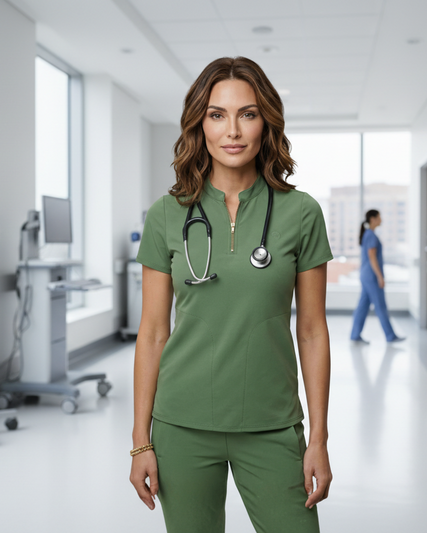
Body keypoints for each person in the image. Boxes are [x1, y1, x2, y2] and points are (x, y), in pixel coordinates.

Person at [129, 56, 334, 533]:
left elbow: (311, 330)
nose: (233, 130)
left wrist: (318, 438)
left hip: (272, 423)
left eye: (248, 113)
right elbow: (154, 332)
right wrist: (141, 441)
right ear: (200, 124)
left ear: (267, 122)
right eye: (217, 114)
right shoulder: (166, 214)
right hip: (182, 424)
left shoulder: (301, 213)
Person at [350, 209, 405, 344]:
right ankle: (390, 335)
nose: (381, 220)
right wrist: (380, 276)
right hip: (371, 276)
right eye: (379, 217)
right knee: (380, 306)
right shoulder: (371, 236)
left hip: (366, 275)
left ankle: (355, 335)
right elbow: (372, 257)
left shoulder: (368, 234)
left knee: (363, 306)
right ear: (373, 219)